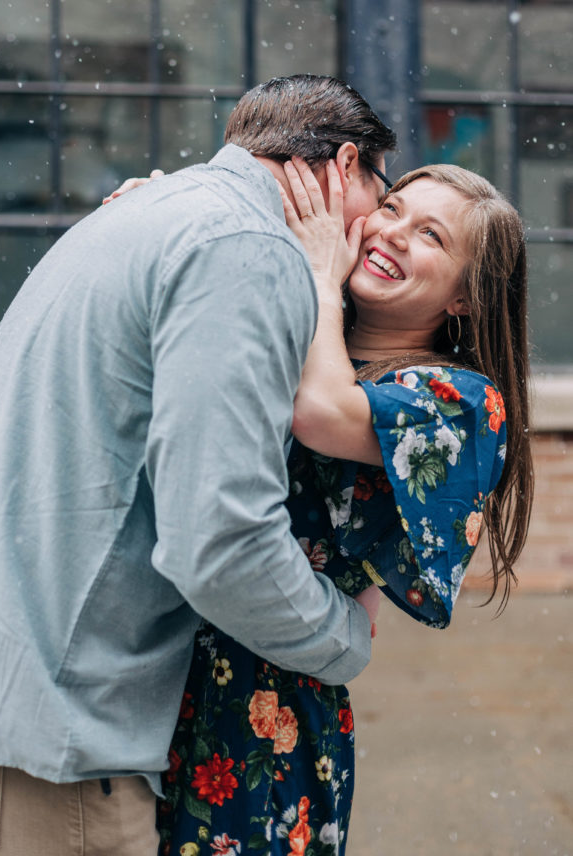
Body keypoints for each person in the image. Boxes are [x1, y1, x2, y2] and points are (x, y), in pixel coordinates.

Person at [0, 75, 397, 856]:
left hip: (6, 696)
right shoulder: (244, 249)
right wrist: (341, 638)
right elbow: (220, 539)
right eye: (381, 201)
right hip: (49, 732)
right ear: (345, 167)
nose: (371, 235)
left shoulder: (158, 212)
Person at [119, 156, 533, 854]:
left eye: (431, 236)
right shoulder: (305, 327)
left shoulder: (460, 401)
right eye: (394, 209)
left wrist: (317, 272)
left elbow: (320, 415)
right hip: (150, 673)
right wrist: (162, 215)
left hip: (267, 706)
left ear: (464, 297)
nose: (395, 233)